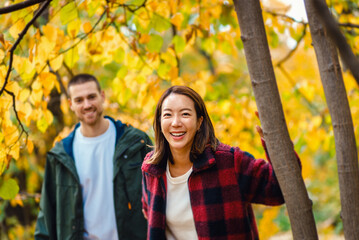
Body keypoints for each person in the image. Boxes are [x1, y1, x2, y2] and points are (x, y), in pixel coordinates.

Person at [141, 85, 293, 240]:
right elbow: (149, 211)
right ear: (159, 121)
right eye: (167, 115)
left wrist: (275, 140)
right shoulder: (152, 168)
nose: (175, 123)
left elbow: (279, 190)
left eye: (185, 114)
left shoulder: (229, 162)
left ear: (200, 122)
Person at [35, 73, 152, 240]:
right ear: (70, 104)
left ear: (102, 96)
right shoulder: (60, 156)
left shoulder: (136, 142)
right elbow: (46, 218)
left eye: (91, 97)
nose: (87, 105)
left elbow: (162, 196)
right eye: (79, 100)